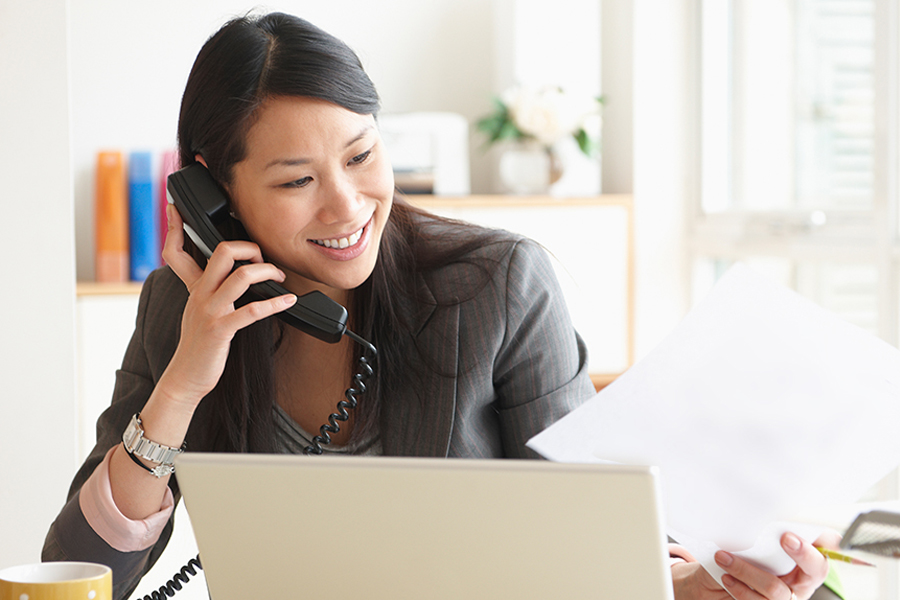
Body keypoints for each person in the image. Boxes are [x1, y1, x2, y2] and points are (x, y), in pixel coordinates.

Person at [43, 11, 834, 600]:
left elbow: (588, 542)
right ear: (214, 191)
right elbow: (82, 578)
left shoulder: (498, 285)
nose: (348, 205)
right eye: (295, 181)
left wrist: (700, 583)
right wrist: (181, 386)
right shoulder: (184, 309)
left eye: (361, 155)